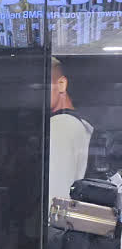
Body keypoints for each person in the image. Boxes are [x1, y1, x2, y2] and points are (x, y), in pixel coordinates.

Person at [48, 57, 93, 209]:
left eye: (43, 85)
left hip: (56, 225)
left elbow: (55, 194)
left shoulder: (60, 125)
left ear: (62, 84)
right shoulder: (75, 123)